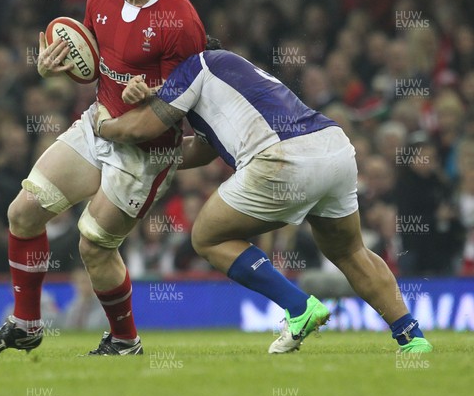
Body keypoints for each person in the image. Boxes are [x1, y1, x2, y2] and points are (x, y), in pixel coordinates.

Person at [92, 40, 433, 353]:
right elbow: (203, 150)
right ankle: (411, 338)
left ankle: (298, 307)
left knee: (207, 237)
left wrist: (102, 126)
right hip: (333, 147)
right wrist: (152, 153)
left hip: (284, 159)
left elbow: (142, 128)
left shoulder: (193, 65)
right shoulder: (232, 75)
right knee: (350, 250)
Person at [0, 0, 206, 356]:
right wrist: (52, 67)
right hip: (98, 123)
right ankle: (26, 324)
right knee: (23, 212)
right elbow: (94, 62)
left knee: (93, 243)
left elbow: (188, 101)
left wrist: (152, 92)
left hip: (147, 150)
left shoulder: (182, 21)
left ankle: (124, 340)